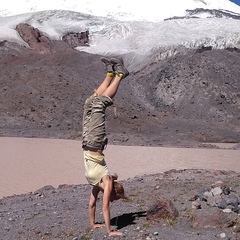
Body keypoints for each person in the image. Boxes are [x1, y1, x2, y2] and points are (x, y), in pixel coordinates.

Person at [82, 56, 129, 236]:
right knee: (100, 103)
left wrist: (94, 224)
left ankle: (110, 72)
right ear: (115, 192)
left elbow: (92, 205)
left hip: (87, 141)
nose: (110, 199)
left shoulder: (97, 183)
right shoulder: (107, 181)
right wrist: (110, 231)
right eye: (114, 198)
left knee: (90, 102)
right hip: (95, 141)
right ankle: (119, 75)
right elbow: (106, 208)